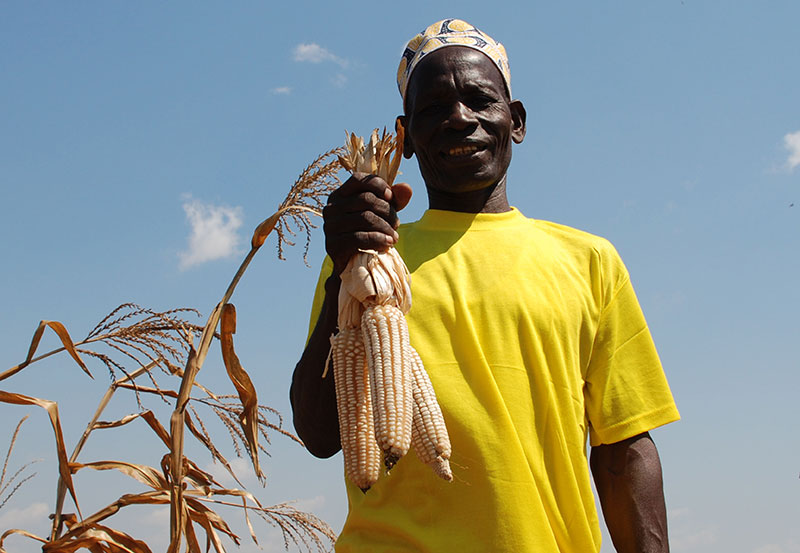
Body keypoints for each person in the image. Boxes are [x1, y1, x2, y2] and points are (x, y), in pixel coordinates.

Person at [291, 18, 679, 553]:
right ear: (404, 138)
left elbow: (624, 448)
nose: (458, 118)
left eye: (479, 100)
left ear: (514, 120)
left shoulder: (590, 261)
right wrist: (341, 269)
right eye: (433, 109)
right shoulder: (368, 258)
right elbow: (318, 434)